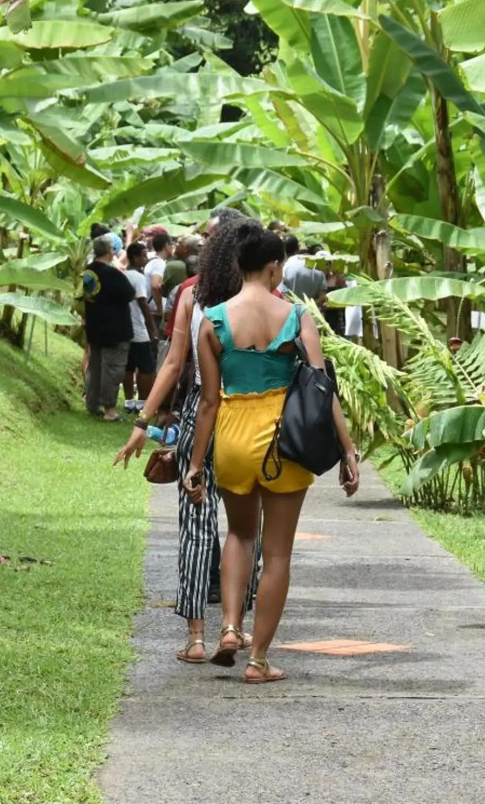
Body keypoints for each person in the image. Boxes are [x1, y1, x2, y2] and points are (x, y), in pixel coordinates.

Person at [185, 220, 359, 683]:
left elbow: (208, 401)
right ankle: (259, 660)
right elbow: (321, 387)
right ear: (274, 266)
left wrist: (197, 463)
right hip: (281, 440)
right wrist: (347, 449)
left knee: (240, 535)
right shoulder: (296, 316)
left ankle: (227, 628)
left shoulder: (213, 319)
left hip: (233, 436)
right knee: (277, 554)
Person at [112, 216, 262, 663]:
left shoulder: (192, 297)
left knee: (195, 527)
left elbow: (174, 365)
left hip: (199, 413)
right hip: (248, 419)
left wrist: (143, 422)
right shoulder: (267, 302)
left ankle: (196, 637)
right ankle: (234, 627)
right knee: (245, 527)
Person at [82, 235, 135, 422]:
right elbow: (130, 293)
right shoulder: (112, 274)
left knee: (95, 367)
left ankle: (92, 403)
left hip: (95, 326)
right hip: (114, 329)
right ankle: (109, 410)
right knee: (112, 369)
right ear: (109, 251)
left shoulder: (89, 272)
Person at [122, 242, 157, 413]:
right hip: (138, 327)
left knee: (128, 366)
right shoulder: (139, 278)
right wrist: (153, 329)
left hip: (125, 327)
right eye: (143, 255)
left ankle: (129, 400)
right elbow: (143, 302)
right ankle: (142, 401)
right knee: (146, 367)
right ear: (135, 257)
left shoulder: (122, 275)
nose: (145, 258)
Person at [280, 234, 328, 304]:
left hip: (292, 311)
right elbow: (323, 297)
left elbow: (283, 296)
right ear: (298, 247)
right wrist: (308, 307)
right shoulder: (315, 264)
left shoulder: (284, 268)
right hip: (313, 312)